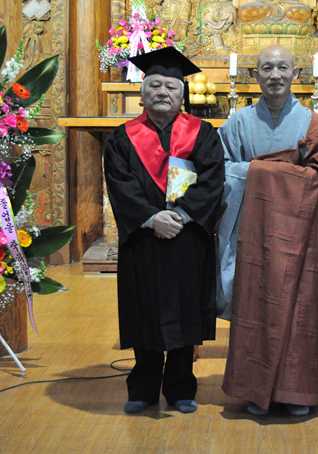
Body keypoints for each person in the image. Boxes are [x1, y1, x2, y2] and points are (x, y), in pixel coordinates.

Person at [217, 45, 318, 416]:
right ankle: (255, 392)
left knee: (300, 311)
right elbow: (219, 169)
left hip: (301, 235)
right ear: (254, 75)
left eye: (283, 67)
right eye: (267, 68)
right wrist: (265, 173)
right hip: (252, 232)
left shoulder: (311, 122)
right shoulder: (238, 122)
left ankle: (295, 393)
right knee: (255, 309)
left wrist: (263, 172)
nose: (275, 75)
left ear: (296, 74)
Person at [103, 47, 225, 415]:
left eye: (171, 87)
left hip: (187, 239)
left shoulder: (202, 133)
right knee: (144, 310)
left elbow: (212, 181)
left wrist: (182, 215)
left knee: (186, 311)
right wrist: (152, 218)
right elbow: (120, 184)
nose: (162, 92)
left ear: (182, 94)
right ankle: (143, 388)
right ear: (141, 92)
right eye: (154, 85)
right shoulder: (122, 137)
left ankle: (181, 387)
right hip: (143, 239)